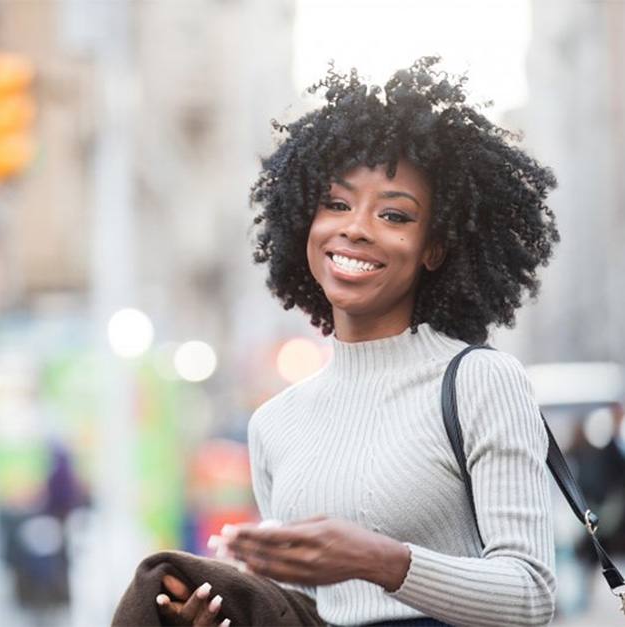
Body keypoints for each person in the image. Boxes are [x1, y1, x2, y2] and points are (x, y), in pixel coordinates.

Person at [156, 56, 560, 626]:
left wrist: (381, 561)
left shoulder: (478, 380)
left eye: (394, 214)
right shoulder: (275, 423)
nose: (356, 227)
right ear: (303, 221)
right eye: (337, 204)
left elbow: (531, 597)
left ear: (434, 249)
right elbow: (304, 614)